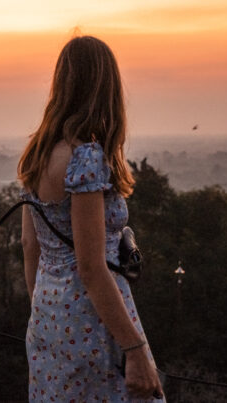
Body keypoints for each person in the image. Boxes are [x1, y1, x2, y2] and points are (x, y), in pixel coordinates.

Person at [18, 35, 164, 401]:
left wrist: (47, 311)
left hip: (48, 317)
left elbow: (28, 245)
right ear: (105, 87)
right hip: (93, 319)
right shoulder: (85, 158)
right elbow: (90, 266)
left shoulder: (37, 153)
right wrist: (134, 350)